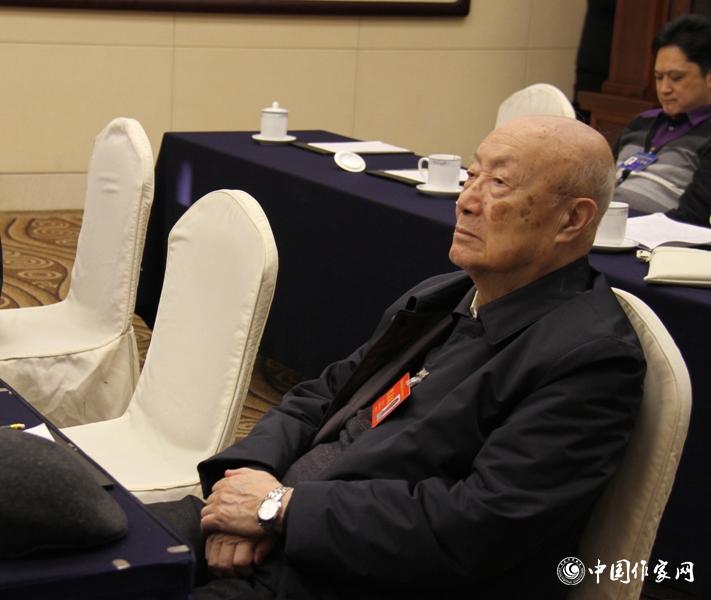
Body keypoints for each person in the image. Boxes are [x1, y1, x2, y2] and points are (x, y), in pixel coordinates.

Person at [151, 116, 646, 600]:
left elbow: (479, 524)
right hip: (278, 524)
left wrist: (280, 510)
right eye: (472, 175)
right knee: (116, 536)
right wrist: (240, 487)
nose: (466, 201)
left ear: (572, 219)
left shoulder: (589, 357)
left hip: (352, 573)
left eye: (499, 184)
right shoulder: (443, 296)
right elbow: (320, 396)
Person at [613, 14, 711, 226]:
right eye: (658, 77)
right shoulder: (641, 122)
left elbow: (693, 218)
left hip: (657, 238)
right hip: (603, 226)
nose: (664, 89)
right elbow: (597, 182)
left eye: (676, 78)